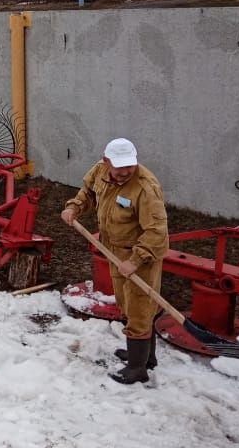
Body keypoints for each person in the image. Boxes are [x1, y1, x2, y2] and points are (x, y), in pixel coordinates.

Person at [61, 138, 169, 385]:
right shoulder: (100, 171)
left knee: (140, 309)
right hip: (114, 251)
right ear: (106, 161)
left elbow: (156, 231)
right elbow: (87, 192)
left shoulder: (144, 187)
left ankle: (137, 369)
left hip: (141, 255)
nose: (124, 172)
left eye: (129, 166)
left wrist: (136, 260)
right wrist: (74, 207)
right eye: (119, 167)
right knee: (127, 305)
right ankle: (144, 357)